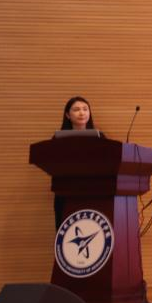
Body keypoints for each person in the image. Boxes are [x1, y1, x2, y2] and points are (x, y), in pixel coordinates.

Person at [55, 96, 100, 228]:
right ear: (67, 115)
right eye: (76, 110)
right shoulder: (58, 140)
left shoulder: (100, 138)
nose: (82, 113)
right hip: (65, 193)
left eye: (85, 109)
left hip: (94, 192)